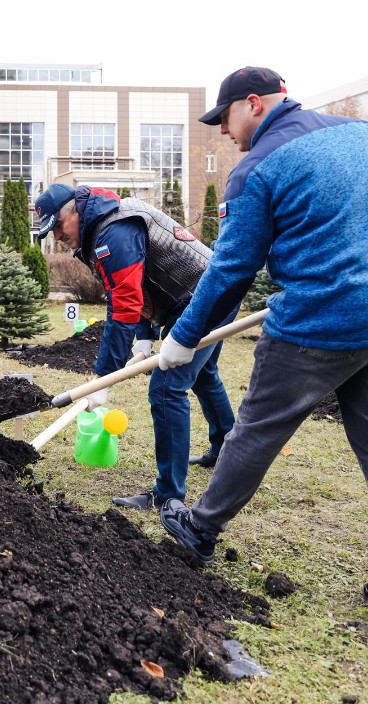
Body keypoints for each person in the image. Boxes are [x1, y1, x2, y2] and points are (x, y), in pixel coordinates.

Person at [158, 67, 368, 567]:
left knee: (256, 428)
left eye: (224, 118)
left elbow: (232, 267)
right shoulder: (360, 134)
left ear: (254, 103)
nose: (222, 130)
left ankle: (200, 528)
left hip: (316, 322)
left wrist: (184, 336)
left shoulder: (258, 169)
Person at [34, 182, 236, 512]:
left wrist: (103, 378)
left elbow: (125, 303)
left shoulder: (113, 231)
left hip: (205, 296)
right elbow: (137, 284)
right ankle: (227, 451)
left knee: (166, 389)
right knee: (203, 375)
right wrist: (144, 336)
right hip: (199, 295)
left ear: (75, 211)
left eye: (58, 225)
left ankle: (168, 495)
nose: (57, 236)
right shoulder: (102, 226)